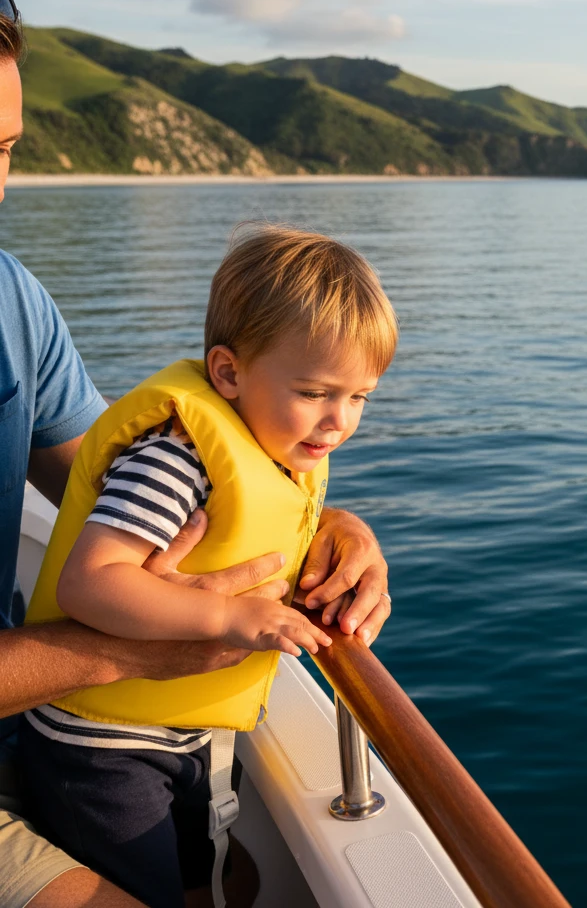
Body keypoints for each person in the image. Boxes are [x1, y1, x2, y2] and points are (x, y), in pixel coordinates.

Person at [0, 0, 392, 908]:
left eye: (4, 151)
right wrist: (126, 650)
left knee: (240, 876)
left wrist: (322, 521)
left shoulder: (12, 301)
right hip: (78, 729)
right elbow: (107, 576)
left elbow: (124, 477)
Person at [18, 225, 398, 908]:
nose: (338, 420)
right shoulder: (174, 458)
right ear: (227, 373)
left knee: (213, 882)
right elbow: (91, 580)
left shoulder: (275, 444)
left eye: (359, 397)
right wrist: (226, 614)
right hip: (100, 749)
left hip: (181, 733)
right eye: (315, 392)